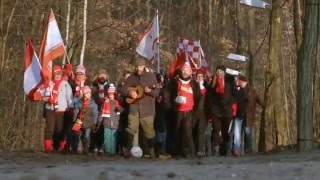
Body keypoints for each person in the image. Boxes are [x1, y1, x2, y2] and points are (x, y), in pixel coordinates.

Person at [120, 57, 159, 159]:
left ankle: (152, 151)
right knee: (131, 128)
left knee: (149, 131)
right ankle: (127, 150)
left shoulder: (151, 77)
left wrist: (149, 91)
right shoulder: (132, 77)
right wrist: (130, 92)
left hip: (147, 109)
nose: (138, 68)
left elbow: (156, 92)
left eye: (140, 66)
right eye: (137, 67)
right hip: (134, 107)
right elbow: (123, 89)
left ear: (144, 66)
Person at [166, 62, 201, 158]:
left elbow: (199, 97)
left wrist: (196, 111)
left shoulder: (194, 83)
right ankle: (177, 153)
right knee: (177, 131)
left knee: (187, 130)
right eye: (183, 70)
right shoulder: (175, 82)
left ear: (190, 72)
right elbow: (167, 94)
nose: (185, 72)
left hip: (189, 111)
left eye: (187, 70)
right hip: (177, 111)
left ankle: (191, 152)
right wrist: (171, 105)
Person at [41, 65, 73, 153]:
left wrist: (71, 107)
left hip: (62, 109)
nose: (57, 75)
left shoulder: (65, 84)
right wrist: (47, 98)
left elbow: (69, 97)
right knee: (50, 128)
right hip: (50, 108)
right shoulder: (49, 83)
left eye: (59, 73)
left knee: (59, 129)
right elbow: (42, 94)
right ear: (53, 74)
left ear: (61, 73)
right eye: (55, 73)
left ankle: (61, 147)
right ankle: (47, 148)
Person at [206, 65, 236, 156]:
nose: (219, 73)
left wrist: (230, 103)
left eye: (221, 71)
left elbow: (234, 95)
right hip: (216, 110)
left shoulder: (229, 82)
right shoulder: (213, 83)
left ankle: (224, 147)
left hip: (227, 111)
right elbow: (209, 95)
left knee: (225, 131)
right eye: (217, 71)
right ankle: (216, 149)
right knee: (216, 130)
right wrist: (212, 106)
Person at [238, 76, 264, 154]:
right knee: (238, 134)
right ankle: (237, 150)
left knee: (248, 134)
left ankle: (248, 149)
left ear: (245, 82)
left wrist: (265, 107)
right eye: (239, 82)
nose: (240, 83)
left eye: (241, 82)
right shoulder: (237, 90)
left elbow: (259, 100)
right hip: (239, 115)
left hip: (248, 115)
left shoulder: (252, 91)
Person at [71, 86, 99, 155]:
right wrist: (74, 120)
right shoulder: (79, 103)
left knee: (87, 136)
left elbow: (95, 113)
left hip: (89, 123)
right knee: (78, 136)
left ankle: (86, 149)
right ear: (83, 94)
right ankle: (77, 149)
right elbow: (76, 112)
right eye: (86, 93)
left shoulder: (93, 104)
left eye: (89, 93)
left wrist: (95, 122)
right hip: (79, 122)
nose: (88, 95)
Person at [101, 84, 122, 155]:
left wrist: (119, 108)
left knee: (113, 138)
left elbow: (122, 110)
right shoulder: (105, 102)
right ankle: (107, 151)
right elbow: (101, 112)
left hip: (115, 124)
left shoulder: (117, 103)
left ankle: (112, 151)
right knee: (107, 137)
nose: (111, 96)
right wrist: (99, 121)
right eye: (109, 94)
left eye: (112, 94)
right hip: (107, 123)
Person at [231, 76, 248, 156]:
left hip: (238, 114)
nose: (237, 82)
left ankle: (236, 149)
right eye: (236, 80)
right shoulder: (231, 90)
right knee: (230, 131)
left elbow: (244, 103)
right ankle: (229, 149)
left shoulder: (242, 91)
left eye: (238, 81)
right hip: (231, 113)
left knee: (237, 132)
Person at [193, 68, 208, 157]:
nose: (199, 78)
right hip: (193, 110)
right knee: (193, 130)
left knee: (201, 130)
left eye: (201, 76)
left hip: (203, 112)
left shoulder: (206, 86)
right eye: (198, 76)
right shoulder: (193, 85)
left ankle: (201, 150)